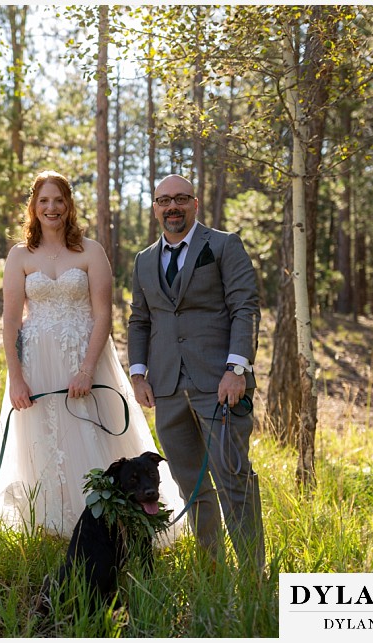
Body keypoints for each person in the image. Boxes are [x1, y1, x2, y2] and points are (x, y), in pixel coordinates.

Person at [0, 170, 185, 542]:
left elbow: (104, 314)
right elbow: (10, 320)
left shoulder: (91, 251)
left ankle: (111, 524)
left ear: (69, 204)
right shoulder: (19, 255)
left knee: (93, 435)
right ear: (33, 206)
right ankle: (51, 525)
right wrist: (16, 378)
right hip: (37, 365)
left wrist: (87, 370)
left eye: (58, 200)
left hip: (85, 359)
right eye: (44, 201)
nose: (51, 208)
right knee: (45, 440)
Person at [128, 174, 265, 571]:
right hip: (167, 389)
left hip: (220, 386)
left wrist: (236, 368)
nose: (172, 207)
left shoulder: (223, 245)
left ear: (195, 203)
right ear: (154, 207)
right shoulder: (143, 260)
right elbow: (140, 319)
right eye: (164, 200)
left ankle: (254, 575)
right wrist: (139, 374)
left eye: (181, 199)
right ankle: (212, 572)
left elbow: (246, 308)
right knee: (192, 485)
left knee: (234, 479)